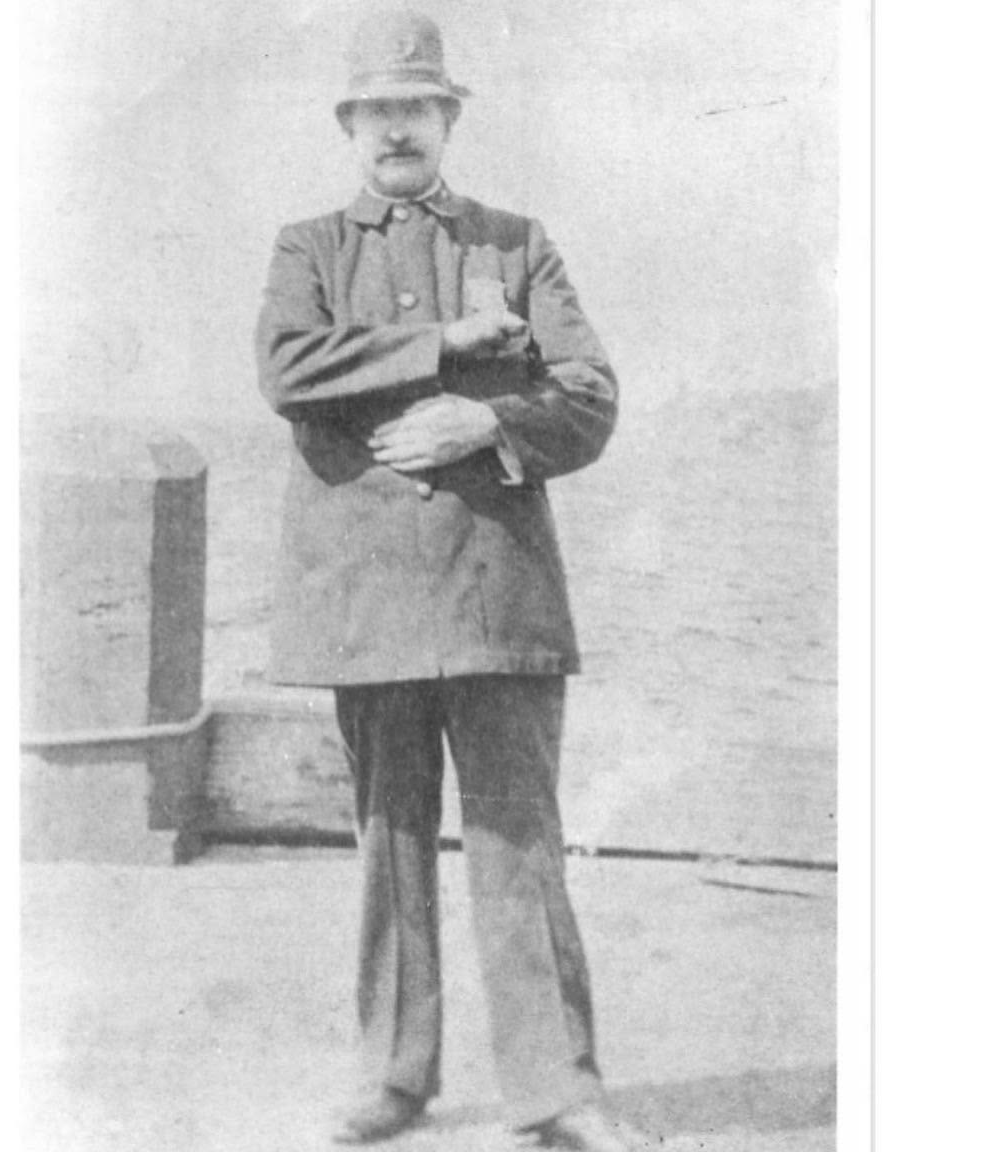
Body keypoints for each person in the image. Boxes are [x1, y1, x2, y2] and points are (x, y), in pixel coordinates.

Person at [256, 10, 650, 1149]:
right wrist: (441, 347)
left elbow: (588, 398)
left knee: (519, 843)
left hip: (495, 591)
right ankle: (392, 1076)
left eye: (416, 108)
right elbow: (286, 368)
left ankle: (558, 1091)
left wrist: (485, 420)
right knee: (388, 838)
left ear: (447, 119)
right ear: (349, 125)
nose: (397, 129)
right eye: (377, 110)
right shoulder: (308, 248)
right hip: (366, 595)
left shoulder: (517, 243)